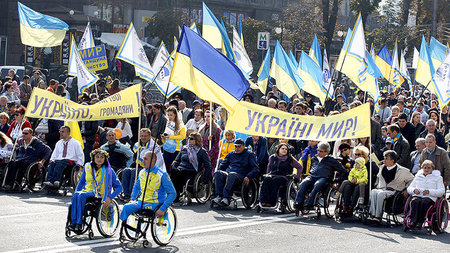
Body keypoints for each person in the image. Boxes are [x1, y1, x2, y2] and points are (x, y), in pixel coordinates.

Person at [68, 149, 123, 231]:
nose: (99, 159)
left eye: (102, 157)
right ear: (93, 158)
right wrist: (76, 193)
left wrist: (110, 197)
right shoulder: (88, 167)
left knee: (81, 195)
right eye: (97, 157)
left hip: (100, 194)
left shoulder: (109, 170)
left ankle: (79, 223)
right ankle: (73, 222)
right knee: (76, 195)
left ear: (105, 159)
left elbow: (119, 188)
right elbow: (82, 182)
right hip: (89, 191)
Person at [120, 151, 176, 221]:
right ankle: (122, 228)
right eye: (143, 159)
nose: (142, 161)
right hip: (141, 202)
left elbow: (172, 193)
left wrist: (163, 208)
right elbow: (137, 187)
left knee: (142, 213)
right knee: (126, 207)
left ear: (153, 161)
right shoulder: (142, 172)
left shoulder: (162, 174)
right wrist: (132, 199)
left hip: (154, 204)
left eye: (145, 159)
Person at [294, 142, 346, 211]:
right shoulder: (314, 158)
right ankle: (298, 203)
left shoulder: (332, 160)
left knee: (317, 184)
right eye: (318, 150)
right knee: (303, 183)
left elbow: (343, 171)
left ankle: (309, 204)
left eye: (321, 151)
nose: (318, 152)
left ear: (326, 152)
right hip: (312, 176)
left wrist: (338, 182)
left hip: (324, 178)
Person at [368, 150, 414, 223]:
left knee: (380, 194)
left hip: (394, 190)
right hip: (382, 188)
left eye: (386, 159)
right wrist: (377, 185)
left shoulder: (403, 170)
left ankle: (378, 216)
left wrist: (407, 189)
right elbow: (378, 178)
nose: (384, 160)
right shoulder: (382, 167)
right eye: (384, 158)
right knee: (373, 191)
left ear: (392, 160)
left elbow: (412, 180)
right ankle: (372, 214)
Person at [212, 139, 259, 206]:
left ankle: (226, 198)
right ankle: (218, 196)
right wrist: (218, 170)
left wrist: (249, 176)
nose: (237, 148)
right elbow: (223, 165)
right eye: (236, 146)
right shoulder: (231, 154)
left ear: (244, 146)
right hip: (230, 173)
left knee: (232, 175)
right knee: (218, 173)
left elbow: (255, 168)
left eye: (239, 146)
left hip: (242, 175)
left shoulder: (250, 154)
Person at [121, 128, 165, 201]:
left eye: (145, 136)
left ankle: (132, 194)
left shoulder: (153, 146)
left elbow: (154, 161)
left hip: (150, 168)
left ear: (150, 136)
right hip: (139, 165)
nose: (143, 138)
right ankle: (126, 194)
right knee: (126, 171)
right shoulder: (138, 144)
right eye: (141, 136)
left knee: (134, 171)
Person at [171, 132, 211, 199]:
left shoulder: (202, 151)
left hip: (192, 171)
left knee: (179, 175)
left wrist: (205, 179)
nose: (189, 139)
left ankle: (179, 194)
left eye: (191, 138)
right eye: (188, 138)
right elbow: (177, 160)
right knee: (173, 172)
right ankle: (176, 195)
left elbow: (208, 165)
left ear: (197, 140)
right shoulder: (184, 148)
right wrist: (174, 166)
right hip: (181, 169)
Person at [406, 160, 445, 227]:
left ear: (432, 169)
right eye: (425, 167)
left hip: (430, 197)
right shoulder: (418, 177)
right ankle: (413, 221)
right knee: (415, 201)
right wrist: (414, 190)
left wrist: (429, 191)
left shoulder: (438, 178)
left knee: (424, 202)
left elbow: (441, 191)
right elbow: (409, 188)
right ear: (422, 168)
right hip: (418, 196)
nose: (427, 169)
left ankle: (420, 222)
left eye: (429, 168)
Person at [161, 106, 186, 171]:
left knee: (173, 167)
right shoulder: (168, 122)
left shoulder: (180, 124)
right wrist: (163, 136)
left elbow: (183, 136)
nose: (169, 117)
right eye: (168, 115)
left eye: (171, 115)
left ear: (175, 114)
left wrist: (171, 137)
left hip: (175, 148)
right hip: (166, 147)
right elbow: (167, 132)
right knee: (166, 166)